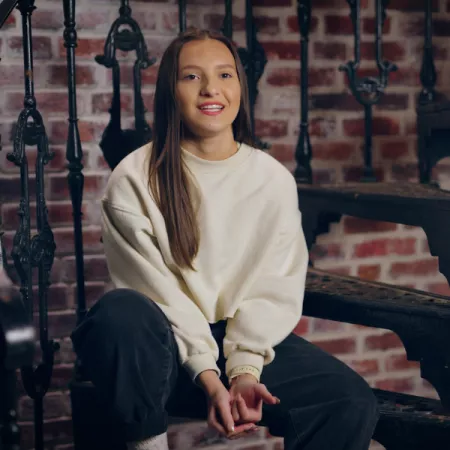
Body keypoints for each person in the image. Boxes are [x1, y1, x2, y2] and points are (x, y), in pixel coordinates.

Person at [71, 28, 379, 450]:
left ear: (240, 87)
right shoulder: (135, 177)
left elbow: (271, 288)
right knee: (119, 313)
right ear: (170, 92)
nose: (211, 89)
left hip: (239, 338)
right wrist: (210, 378)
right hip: (160, 351)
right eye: (191, 77)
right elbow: (159, 294)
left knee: (349, 400)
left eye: (225, 75)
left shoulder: (271, 181)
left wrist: (245, 372)